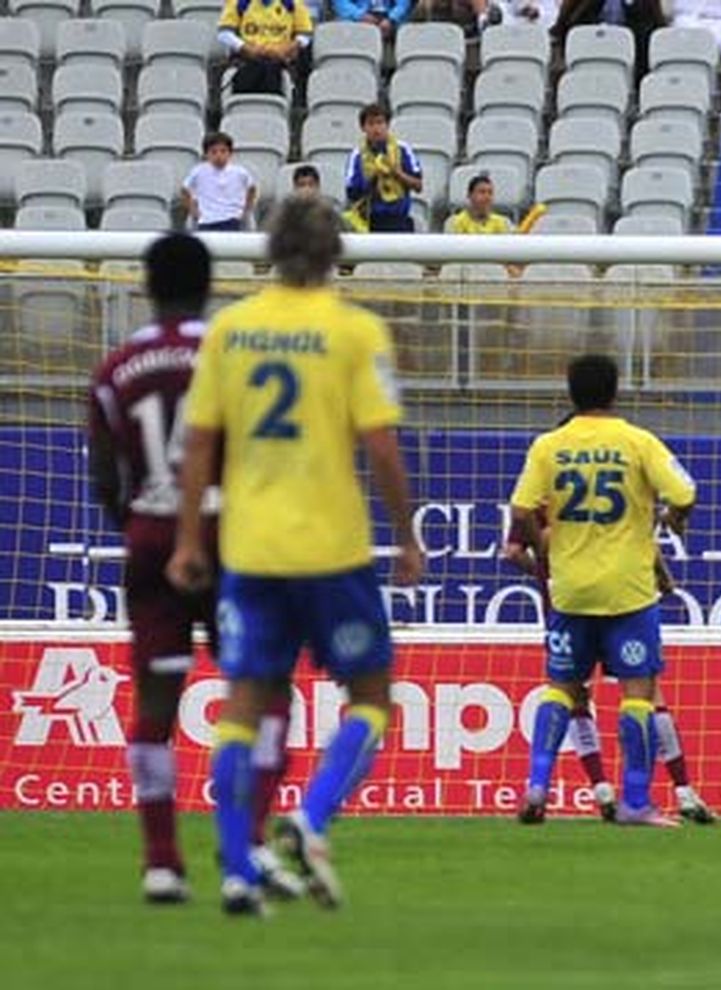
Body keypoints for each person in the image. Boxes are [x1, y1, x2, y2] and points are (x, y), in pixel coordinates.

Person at [167, 197, 424, 915]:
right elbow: (379, 443)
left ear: (269, 251)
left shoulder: (231, 329)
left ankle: (237, 873)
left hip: (250, 548)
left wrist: (190, 539)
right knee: (371, 698)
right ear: (335, 253)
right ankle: (310, 821)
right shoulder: (354, 330)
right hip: (332, 549)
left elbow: (199, 444)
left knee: (242, 706)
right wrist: (405, 532)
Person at [88, 234, 301, 905]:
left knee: (155, 703)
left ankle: (160, 862)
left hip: (153, 536)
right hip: (232, 536)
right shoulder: (234, 356)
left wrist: (142, 527)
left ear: (147, 287)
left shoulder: (117, 367)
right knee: (267, 695)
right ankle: (251, 845)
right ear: (209, 286)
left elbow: (102, 470)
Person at [502, 353, 696, 828]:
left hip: (570, 589)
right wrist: (674, 519)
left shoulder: (548, 445)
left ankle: (536, 788)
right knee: (636, 695)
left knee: (561, 690)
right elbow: (685, 492)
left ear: (570, 393)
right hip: (629, 590)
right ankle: (634, 802)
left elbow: (522, 509)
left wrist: (551, 545)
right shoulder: (638, 441)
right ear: (615, 391)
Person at [520, 496, 715, 824]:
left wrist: (547, 569)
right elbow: (675, 503)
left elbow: (517, 545)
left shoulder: (548, 485)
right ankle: (676, 792)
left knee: (568, 692)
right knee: (645, 695)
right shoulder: (627, 471)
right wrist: (664, 574)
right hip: (626, 602)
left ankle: (570, 788)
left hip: (569, 601)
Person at [344, 104, 424, 234]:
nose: (376, 129)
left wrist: (396, 173)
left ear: (387, 125)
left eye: (380, 123)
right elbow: (352, 194)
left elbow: (418, 186)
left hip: (399, 220)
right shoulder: (357, 155)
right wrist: (374, 177)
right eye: (371, 124)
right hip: (370, 222)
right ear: (363, 128)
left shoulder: (402, 149)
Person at [553, 0, 667, 83]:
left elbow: (658, 25)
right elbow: (565, 23)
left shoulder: (646, 4)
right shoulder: (583, 6)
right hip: (591, 53)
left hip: (631, 59)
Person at [217, 0, 312, 97]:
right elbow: (224, 33)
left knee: (271, 72)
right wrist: (245, 48)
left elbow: (305, 35)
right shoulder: (238, 3)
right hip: (247, 58)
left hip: (279, 59)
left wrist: (287, 49)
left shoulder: (293, 3)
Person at [181, 133, 258, 232]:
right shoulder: (198, 171)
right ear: (206, 154)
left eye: (223, 151)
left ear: (230, 153)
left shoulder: (240, 172)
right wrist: (193, 210)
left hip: (231, 218)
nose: (219, 156)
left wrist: (246, 209)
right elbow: (185, 190)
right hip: (206, 220)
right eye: (213, 152)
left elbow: (252, 189)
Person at [444, 174, 514, 234]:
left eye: (490, 193)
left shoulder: (504, 223)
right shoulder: (454, 223)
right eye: (482, 192)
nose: (487, 197)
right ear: (469, 195)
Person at [331, 0, 413, 37]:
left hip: (387, 16)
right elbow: (341, 3)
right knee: (343, 24)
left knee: (405, 29)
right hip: (359, 16)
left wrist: (391, 19)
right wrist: (361, 16)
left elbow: (403, 5)